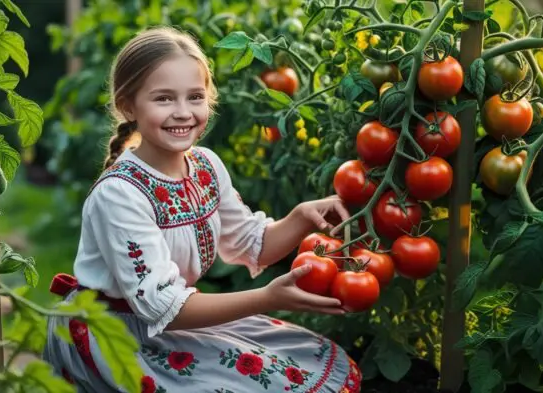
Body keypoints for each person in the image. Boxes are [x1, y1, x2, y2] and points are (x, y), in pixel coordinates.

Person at [43, 26, 362, 393]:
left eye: (195, 97)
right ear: (128, 105)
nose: (183, 113)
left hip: (171, 320)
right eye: (164, 99)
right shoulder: (119, 194)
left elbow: (251, 242)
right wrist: (267, 298)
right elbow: (166, 308)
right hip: (115, 337)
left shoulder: (206, 167)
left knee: (311, 361)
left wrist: (301, 217)